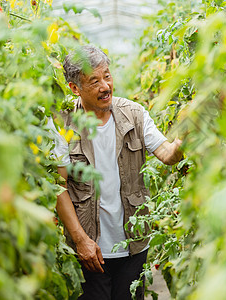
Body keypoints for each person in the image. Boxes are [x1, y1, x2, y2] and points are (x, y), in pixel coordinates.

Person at [50, 45, 182, 300]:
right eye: (94, 81)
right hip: (90, 249)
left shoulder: (133, 114)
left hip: (134, 244)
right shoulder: (63, 123)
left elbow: (167, 155)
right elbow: (59, 186)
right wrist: (80, 241)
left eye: (107, 76)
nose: (105, 86)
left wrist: (183, 141)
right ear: (74, 88)